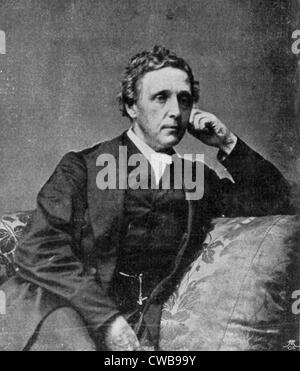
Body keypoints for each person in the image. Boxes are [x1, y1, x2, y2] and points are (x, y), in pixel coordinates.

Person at [0, 45, 293, 351]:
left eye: (184, 99)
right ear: (131, 106)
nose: (175, 111)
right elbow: (38, 248)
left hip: (138, 322)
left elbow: (278, 200)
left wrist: (227, 142)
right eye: (160, 97)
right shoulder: (81, 167)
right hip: (58, 308)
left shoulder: (195, 179)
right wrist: (108, 320)